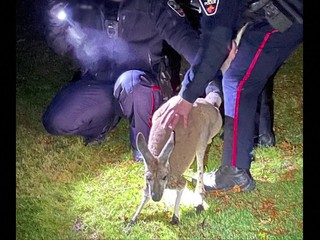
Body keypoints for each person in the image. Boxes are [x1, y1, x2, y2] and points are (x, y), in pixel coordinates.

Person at [160, 0, 303, 192]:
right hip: (276, 13)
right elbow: (225, 17)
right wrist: (229, 38)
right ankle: (252, 143)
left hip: (284, 14)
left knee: (237, 80)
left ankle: (235, 170)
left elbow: (215, 42)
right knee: (244, 74)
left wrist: (187, 96)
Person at [42, 0, 201, 162]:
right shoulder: (85, 4)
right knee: (56, 121)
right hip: (103, 82)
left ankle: (145, 149)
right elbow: (61, 47)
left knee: (133, 84)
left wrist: (208, 86)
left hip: (144, 84)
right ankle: (103, 123)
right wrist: (55, 23)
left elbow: (189, 44)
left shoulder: (155, 4)